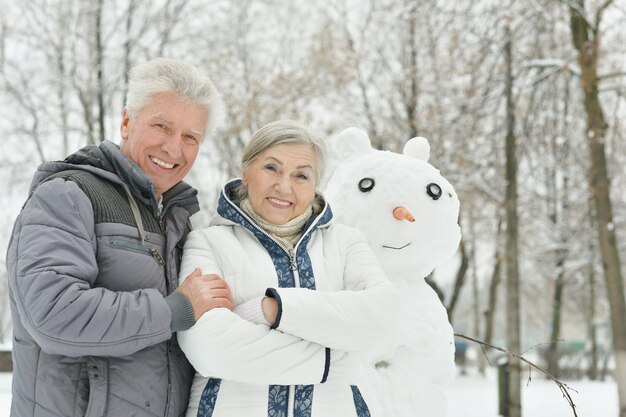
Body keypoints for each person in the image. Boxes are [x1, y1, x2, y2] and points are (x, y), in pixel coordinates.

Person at [6, 58, 233, 417]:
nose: (174, 149)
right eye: (162, 126)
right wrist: (175, 310)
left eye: (190, 137)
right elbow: (53, 315)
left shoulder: (180, 219)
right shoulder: (68, 196)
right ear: (127, 122)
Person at [178, 120, 399, 417]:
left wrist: (274, 309)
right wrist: (333, 358)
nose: (284, 186)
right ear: (246, 172)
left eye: (302, 175)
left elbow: (382, 318)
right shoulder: (207, 243)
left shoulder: (346, 244)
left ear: (315, 184)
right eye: (271, 168)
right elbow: (208, 348)